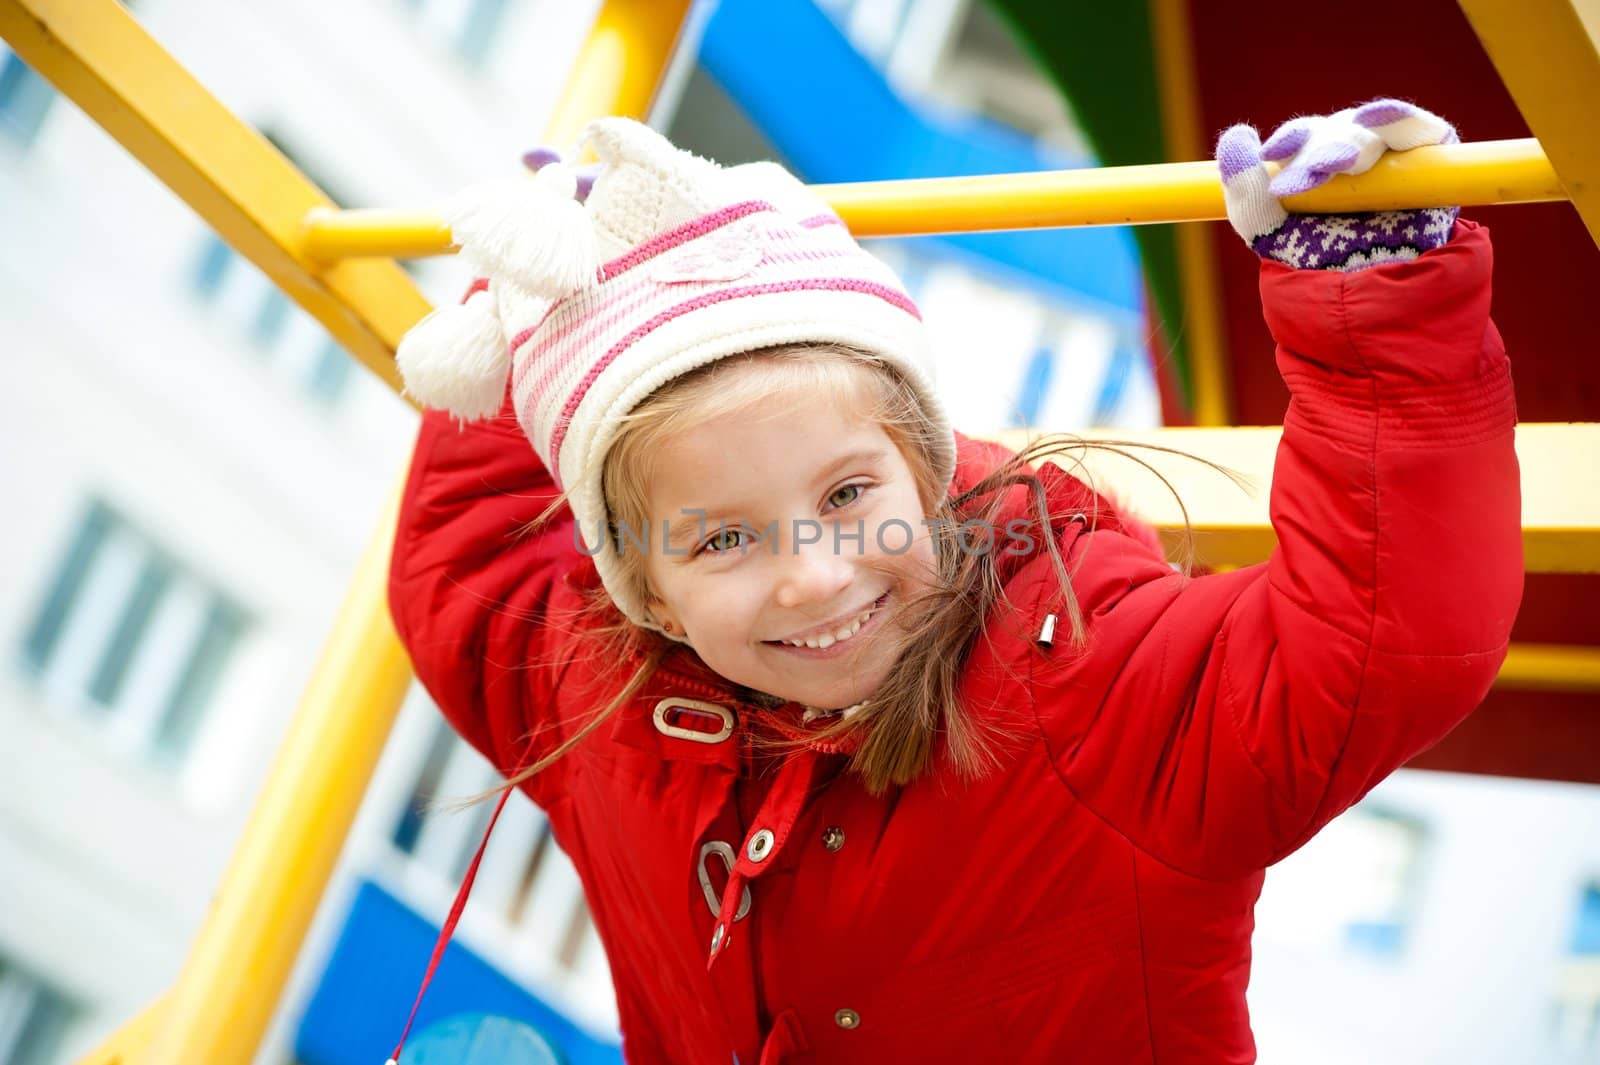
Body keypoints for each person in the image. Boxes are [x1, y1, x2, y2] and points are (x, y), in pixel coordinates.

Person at [384, 101, 1522, 1064]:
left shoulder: (1093, 687)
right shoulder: (594, 700)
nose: (813, 577)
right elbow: (466, 562)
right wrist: (531, 313)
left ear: (925, 466)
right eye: (722, 540)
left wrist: (1376, 301)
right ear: (639, 581)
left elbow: (1377, 638)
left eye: (845, 496)